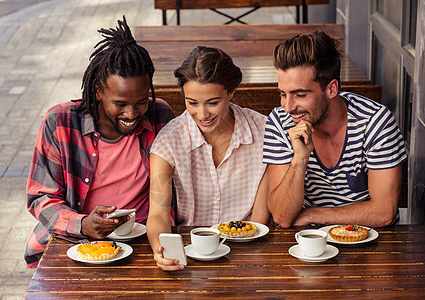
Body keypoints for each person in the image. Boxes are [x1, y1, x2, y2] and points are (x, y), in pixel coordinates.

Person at [25, 17, 174, 268]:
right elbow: (40, 197)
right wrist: (81, 224)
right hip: (75, 241)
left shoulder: (160, 116)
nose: (132, 114)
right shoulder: (60, 122)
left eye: (141, 101)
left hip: (143, 240)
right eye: (120, 104)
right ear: (97, 91)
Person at [263, 31, 407, 228]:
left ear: (331, 89)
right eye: (283, 94)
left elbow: (383, 213)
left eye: (300, 95)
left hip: (370, 242)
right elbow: (282, 217)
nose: (288, 107)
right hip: (307, 244)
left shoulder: (375, 122)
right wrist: (299, 160)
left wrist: (314, 215)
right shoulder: (280, 123)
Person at [147, 46, 270, 271]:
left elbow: (260, 220)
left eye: (213, 103)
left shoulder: (263, 132)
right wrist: (160, 249)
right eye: (192, 102)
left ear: (231, 93)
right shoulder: (168, 141)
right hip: (191, 252)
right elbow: (157, 214)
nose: (202, 115)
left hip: (246, 252)